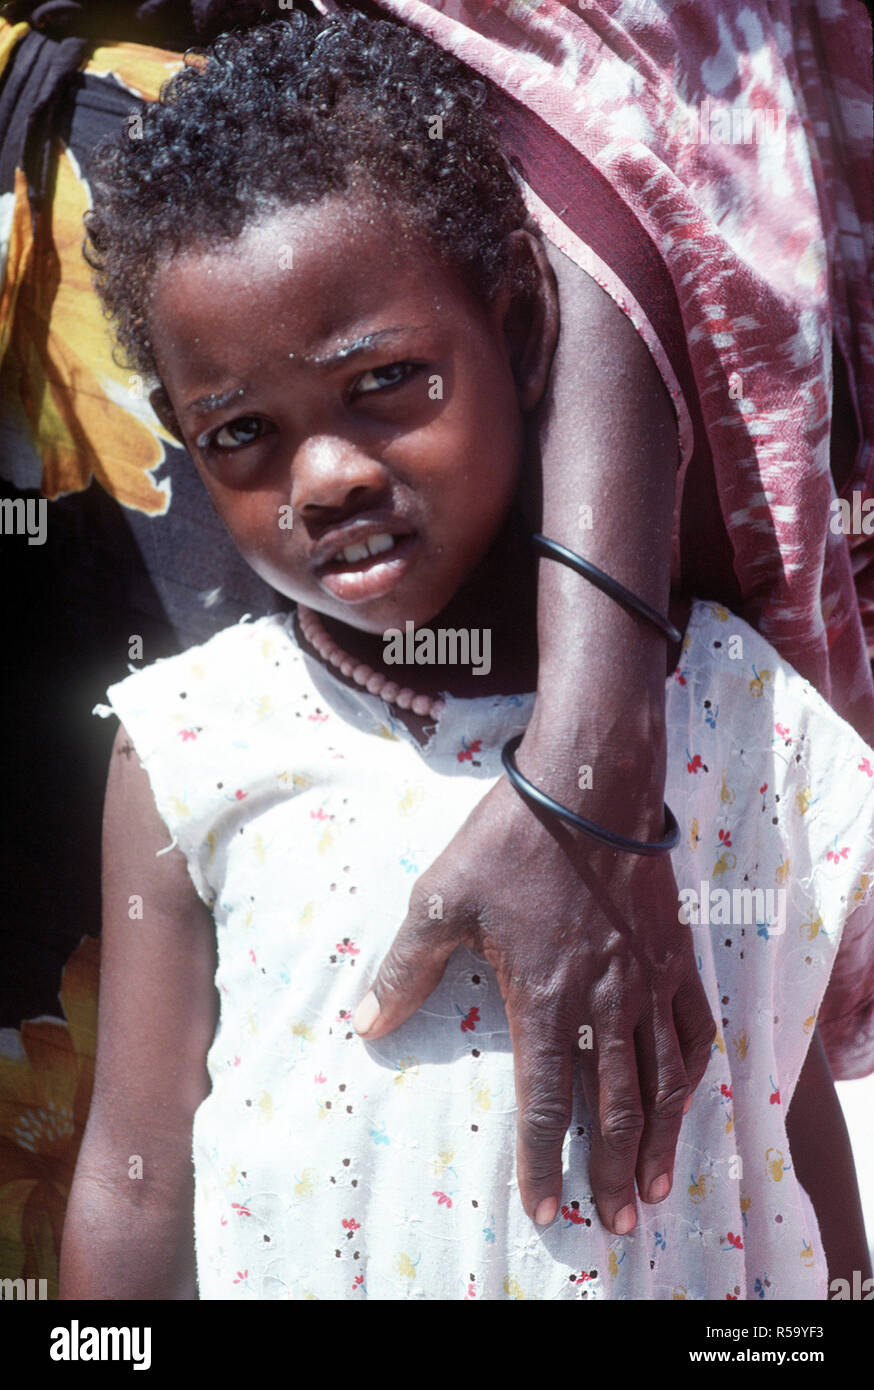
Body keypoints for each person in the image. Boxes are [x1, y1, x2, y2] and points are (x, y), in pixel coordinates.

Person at [58, 12, 872, 1299]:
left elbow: (785, 1105)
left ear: (521, 329)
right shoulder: (197, 740)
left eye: (383, 382)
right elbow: (131, 1165)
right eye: (243, 433)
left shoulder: (725, 707)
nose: (323, 475)